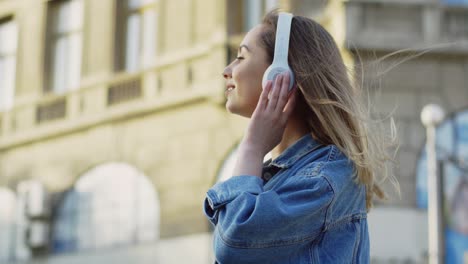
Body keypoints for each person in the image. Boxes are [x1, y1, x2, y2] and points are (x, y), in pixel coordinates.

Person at [204, 10, 397, 264]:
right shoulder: (279, 177)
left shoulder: (325, 177)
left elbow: (235, 242)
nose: (227, 70)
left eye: (241, 57)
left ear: (281, 74)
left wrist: (251, 147)